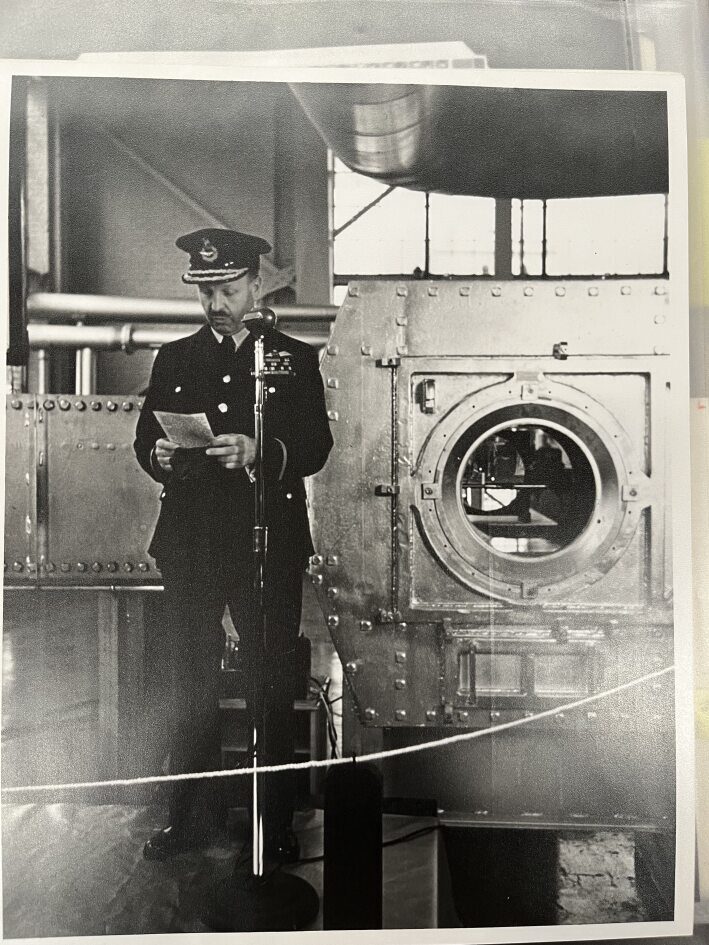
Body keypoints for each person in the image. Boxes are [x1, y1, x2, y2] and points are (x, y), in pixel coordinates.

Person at [133, 228, 333, 862]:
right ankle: (188, 819)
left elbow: (315, 447)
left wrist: (259, 452)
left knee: (269, 681)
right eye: (206, 291)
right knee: (186, 680)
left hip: (265, 541)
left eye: (226, 289)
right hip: (191, 542)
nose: (215, 302)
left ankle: (272, 825)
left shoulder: (293, 359)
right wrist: (160, 454)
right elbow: (146, 440)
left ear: (254, 285)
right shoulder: (174, 359)